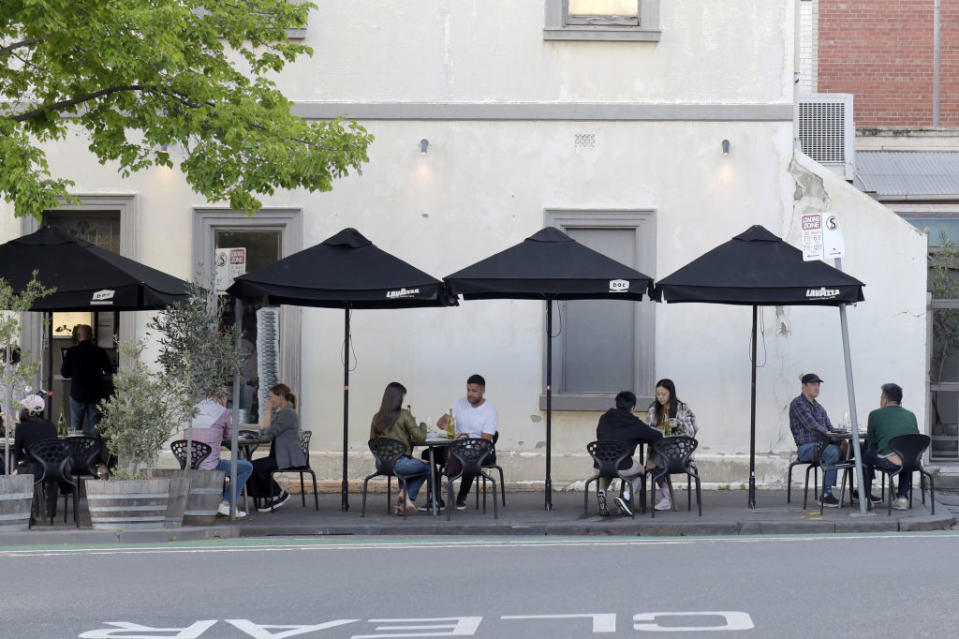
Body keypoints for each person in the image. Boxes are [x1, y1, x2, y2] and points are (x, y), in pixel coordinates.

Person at [184, 388, 253, 518]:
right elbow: (229, 437)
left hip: (190, 463)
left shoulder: (193, 409)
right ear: (222, 398)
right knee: (246, 467)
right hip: (210, 465)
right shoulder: (223, 412)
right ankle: (226, 503)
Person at [433, 374, 498, 510]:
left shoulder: (489, 411)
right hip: (456, 447)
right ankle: (436, 498)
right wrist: (445, 423)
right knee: (429, 454)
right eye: (468, 390)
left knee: (467, 456)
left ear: (483, 391)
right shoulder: (460, 403)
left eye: (474, 391)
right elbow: (440, 422)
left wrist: (468, 438)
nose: (470, 394)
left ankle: (462, 493)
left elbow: (485, 442)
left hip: (478, 451)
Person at [595, 391, 663, 517]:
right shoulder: (634, 423)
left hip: (600, 465)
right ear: (633, 407)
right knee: (642, 473)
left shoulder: (604, 417)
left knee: (609, 466)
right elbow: (657, 437)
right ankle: (626, 497)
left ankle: (602, 492)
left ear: (617, 404)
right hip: (623, 467)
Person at [370, 382, 432, 514]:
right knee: (429, 469)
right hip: (401, 464)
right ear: (399, 397)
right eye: (403, 396)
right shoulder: (404, 415)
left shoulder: (376, 417)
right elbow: (420, 437)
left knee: (409, 467)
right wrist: (422, 425)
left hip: (381, 464)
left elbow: (372, 441)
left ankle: (402, 505)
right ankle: (406, 496)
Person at [788, 373, 843, 508]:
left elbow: (830, 428)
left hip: (822, 445)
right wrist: (835, 439)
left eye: (818, 385)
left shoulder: (819, 408)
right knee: (833, 452)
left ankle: (861, 491)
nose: (817, 387)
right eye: (813, 384)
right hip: (806, 448)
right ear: (804, 386)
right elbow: (813, 425)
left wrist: (841, 439)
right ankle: (825, 494)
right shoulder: (798, 404)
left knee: (856, 449)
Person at [247, 383, 304, 511]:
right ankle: (270, 494)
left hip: (288, 458)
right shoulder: (282, 413)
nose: (269, 400)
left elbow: (268, 433)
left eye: (271, 396)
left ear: (281, 397)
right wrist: (268, 418)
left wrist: (267, 411)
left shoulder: (287, 414)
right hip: (280, 456)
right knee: (251, 466)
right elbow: (265, 432)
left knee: (254, 467)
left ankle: (278, 494)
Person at [862, 383, 920, 511]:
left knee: (865, 454)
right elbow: (916, 438)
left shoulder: (875, 415)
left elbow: (871, 443)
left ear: (884, 400)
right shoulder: (911, 415)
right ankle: (902, 498)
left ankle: (865, 497)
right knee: (906, 455)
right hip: (912, 462)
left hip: (889, 463)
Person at [645, 378, 699, 511]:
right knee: (656, 456)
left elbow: (693, 430)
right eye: (658, 394)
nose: (660, 398)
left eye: (663, 394)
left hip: (680, 452)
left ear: (671, 393)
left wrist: (678, 422)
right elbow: (647, 430)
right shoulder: (654, 409)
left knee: (652, 463)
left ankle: (641, 482)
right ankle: (665, 499)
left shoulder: (682, 407)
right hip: (660, 450)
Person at [60, 324, 113, 435]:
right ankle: (95, 452)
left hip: (77, 394)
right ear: (91, 336)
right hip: (95, 395)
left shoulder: (72, 352)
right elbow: (109, 370)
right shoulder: (99, 351)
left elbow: (64, 373)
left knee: (75, 429)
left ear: (78, 336)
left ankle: (75, 451)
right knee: (95, 430)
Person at [11, 394, 57, 476]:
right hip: (56, 468)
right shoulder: (51, 425)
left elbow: (17, 453)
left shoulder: (22, 427)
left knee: (14, 474)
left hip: (34, 470)